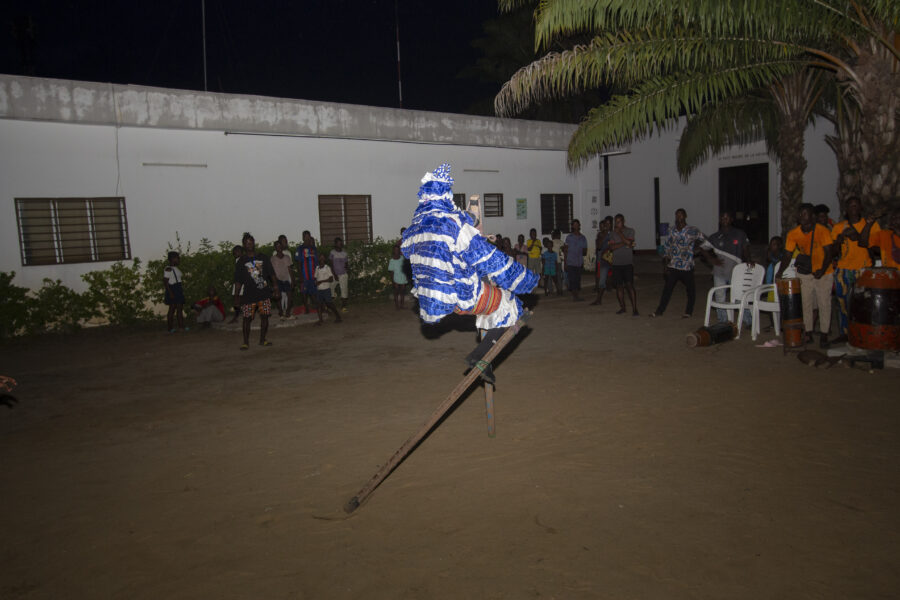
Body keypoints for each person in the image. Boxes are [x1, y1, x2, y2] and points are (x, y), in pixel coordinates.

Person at [400, 164, 538, 384]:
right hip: (462, 297)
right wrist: (524, 278)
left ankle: (484, 356)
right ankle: (480, 356)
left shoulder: (415, 227)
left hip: (433, 302)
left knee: (487, 292)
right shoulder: (454, 225)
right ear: (446, 194)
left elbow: (456, 225)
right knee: (510, 305)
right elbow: (490, 259)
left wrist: (473, 222)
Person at [782, 203, 835, 347]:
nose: (801, 217)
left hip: (824, 271)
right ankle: (808, 333)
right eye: (800, 214)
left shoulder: (822, 231)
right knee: (805, 303)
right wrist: (780, 271)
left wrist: (822, 270)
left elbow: (829, 252)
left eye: (805, 214)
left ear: (812, 216)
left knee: (824, 303)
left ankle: (824, 334)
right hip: (805, 271)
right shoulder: (793, 234)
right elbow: (787, 254)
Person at [830, 197, 880, 344]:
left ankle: (861, 334)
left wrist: (856, 236)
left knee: (862, 304)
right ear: (845, 209)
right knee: (842, 303)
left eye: (855, 205)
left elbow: (875, 248)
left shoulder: (871, 225)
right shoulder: (839, 227)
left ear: (861, 208)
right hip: (843, 270)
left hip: (862, 270)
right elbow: (833, 252)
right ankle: (844, 333)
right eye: (850, 205)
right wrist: (840, 239)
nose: (853, 208)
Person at [650, 208, 707, 318]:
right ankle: (659, 311)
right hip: (673, 265)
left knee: (690, 290)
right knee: (667, 289)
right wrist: (665, 264)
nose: (678, 217)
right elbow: (667, 247)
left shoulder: (692, 230)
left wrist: (697, 251)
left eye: (680, 215)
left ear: (685, 216)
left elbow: (705, 240)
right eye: (677, 215)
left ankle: (688, 312)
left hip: (687, 266)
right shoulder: (672, 230)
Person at [233, 232, 280, 350]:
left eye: (251, 242)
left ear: (254, 243)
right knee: (247, 318)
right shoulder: (241, 261)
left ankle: (262, 339)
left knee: (264, 317)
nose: (249, 244)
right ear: (244, 245)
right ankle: (245, 342)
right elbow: (238, 281)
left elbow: (271, 274)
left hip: (263, 293)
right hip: (249, 294)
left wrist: (276, 288)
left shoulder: (263, 257)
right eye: (246, 243)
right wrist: (237, 296)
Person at [704, 211, 752, 324]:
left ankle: (748, 321)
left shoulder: (740, 234)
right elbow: (702, 248)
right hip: (720, 272)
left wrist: (749, 260)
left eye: (727, 217)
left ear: (731, 219)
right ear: (720, 220)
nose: (724, 220)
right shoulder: (715, 236)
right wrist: (711, 259)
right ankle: (723, 321)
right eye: (722, 218)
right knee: (720, 296)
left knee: (740, 296)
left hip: (736, 272)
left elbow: (746, 248)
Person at [606, 214, 639, 315]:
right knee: (619, 286)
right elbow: (611, 248)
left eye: (619, 222)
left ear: (623, 221)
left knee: (629, 285)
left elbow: (630, 243)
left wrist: (620, 234)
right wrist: (625, 243)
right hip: (616, 264)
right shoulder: (611, 233)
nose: (617, 224)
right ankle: (623, 307)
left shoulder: (630, 231)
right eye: (616, 222)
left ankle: (634, 309)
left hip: (627, 263)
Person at [314, 254, 343, 325]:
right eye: (320, 258)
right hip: (319, 289)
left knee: (329, 304)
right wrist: (316, 282)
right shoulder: (317, 268)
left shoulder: (327, 268)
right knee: (318, 304)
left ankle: (338, 317)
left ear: (324, 260)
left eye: (323, 258)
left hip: (326, 289)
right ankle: (320, 320)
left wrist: (321, 281)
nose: (321, 260)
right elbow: (315, 277)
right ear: (318, 259)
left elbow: (331, 279)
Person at [563, 219, 588, 301]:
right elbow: (565, 250)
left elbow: (584, 252)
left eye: (577, 224)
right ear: (572, 226)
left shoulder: (583, 238)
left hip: (578, 262)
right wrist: (565, 262)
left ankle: (576, 295)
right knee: (572, 279)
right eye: (574, 225)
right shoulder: (569, 238)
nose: (576, 226)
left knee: (577, 280)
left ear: (579, 226)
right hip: (570, 261)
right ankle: (575, 296)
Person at [294, 230, 318, 314]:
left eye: (308, 236)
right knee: (304, 292)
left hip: (313, 275)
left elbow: (316, 262)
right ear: (303, 238)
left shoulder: (314, 249)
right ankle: (306, 308)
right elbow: (298, 263)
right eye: (305, 236)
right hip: (304, 275)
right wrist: (300, 276)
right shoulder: (300, 249)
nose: (307, 238)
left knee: (313, 292)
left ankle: (316, 307)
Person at [163, 251, 187, 333]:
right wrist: (170, 293)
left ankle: (181, 327)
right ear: (172, 259)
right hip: (173, 289)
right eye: (177, 258)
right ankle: (170, 328)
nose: (179, 259)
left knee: (179, 308)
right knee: (173, 309)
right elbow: (165, 282)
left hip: (178, 288)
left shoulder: (175, 268)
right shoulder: (168, 269)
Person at [591, 218, 612, 306]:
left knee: (611, 277)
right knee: (601, 279)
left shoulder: (614, 234)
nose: (606, 226)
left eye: (608, 224)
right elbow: (599, 246)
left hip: (614, 259)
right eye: (605, 224)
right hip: (604, 259)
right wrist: (603, 235)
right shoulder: (601, 234)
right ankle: (599, 299)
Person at [271, 238, 294, 318]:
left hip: (286, 279)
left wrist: (292, 281)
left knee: (290, 296)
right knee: (278, 297)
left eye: (280, 246)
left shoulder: (287, 257)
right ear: (275, 248)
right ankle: (281, 311)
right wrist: (273, 283)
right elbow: (271, 271)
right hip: (277, 280)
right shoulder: (273, 258)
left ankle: (287, 312)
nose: (279, 247)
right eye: (277, 246)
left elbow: (290, 270)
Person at [328, 237, 350, 312]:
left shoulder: (345, 253)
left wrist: (347, 270)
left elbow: (346, 263)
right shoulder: (332, 253)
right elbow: (331, 265)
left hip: (343, 274)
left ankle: (343, 307)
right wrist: (334, 275)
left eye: (341, 243)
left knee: (344, 291)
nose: (340, 244)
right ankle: (330, 307)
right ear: (335, 244)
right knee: (330, 289)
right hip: (334, 274)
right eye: (338, 243)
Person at [387, 244, 408, 309]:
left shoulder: (402, 258)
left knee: (402, 292)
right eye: (395, 250)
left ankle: (402, 305)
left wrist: (407, 276)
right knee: (396, 292)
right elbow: (391, 272)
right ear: (393, 251)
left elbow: (406, 267)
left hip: (403, 277)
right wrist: (393, 281)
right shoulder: (392, 261)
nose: (396, 251)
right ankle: (397, 306)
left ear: (399, 251)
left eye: (398, 250)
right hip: (396, 278)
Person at [229, 245, 243, 324]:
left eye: (235, 252)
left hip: (240, 283)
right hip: (238, 282)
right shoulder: (238, 259)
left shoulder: (242, 259)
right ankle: (236, 315)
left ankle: (236, 316)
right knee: (237, 299)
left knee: (237, 299)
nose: (234, 253)